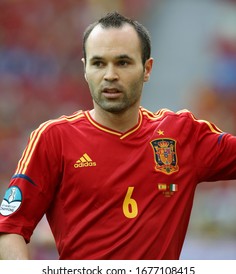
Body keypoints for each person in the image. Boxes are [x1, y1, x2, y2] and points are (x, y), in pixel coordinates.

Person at [0, 11, 235, 260]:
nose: (110, 75)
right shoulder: (53, 139)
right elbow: (9, 228)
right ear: (85, 69)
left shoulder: (182, 134)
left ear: (147, 69)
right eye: (99, 63)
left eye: (122, 62)